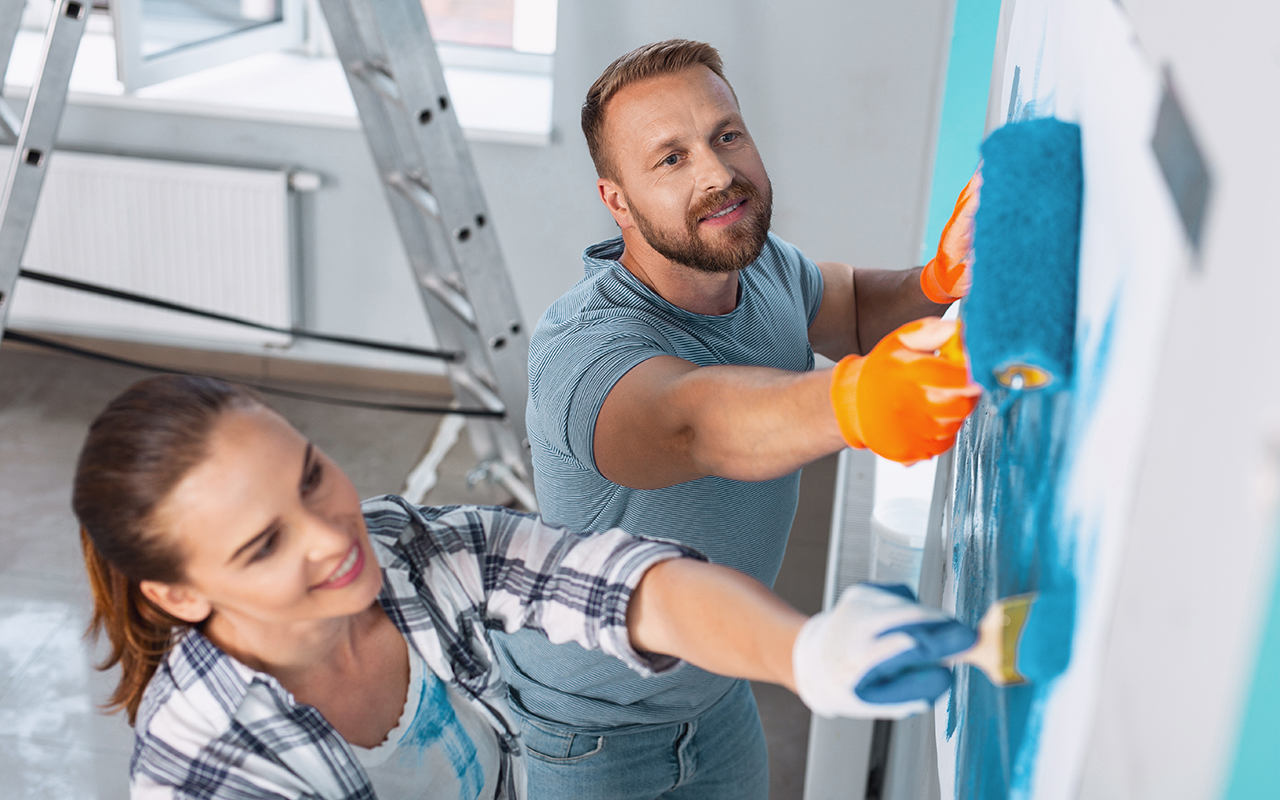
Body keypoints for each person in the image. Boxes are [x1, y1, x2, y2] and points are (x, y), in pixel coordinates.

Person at [74, 374, 976, 800]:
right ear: (180, 595)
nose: (331, 538)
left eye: (312, 476)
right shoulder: (204, 769)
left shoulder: (409, 555)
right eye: (265, 543)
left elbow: (619, 584)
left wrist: (802, 652)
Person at [499, 39, 984, 799]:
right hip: (589, 734)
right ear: (617, 201)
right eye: (671, 159)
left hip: (716, 695)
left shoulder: (755, 265)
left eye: (727, 136)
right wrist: (854, 403)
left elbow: (852, 306)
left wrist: (936, 279)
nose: (718, 174)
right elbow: (695, 423)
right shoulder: (582, 350)